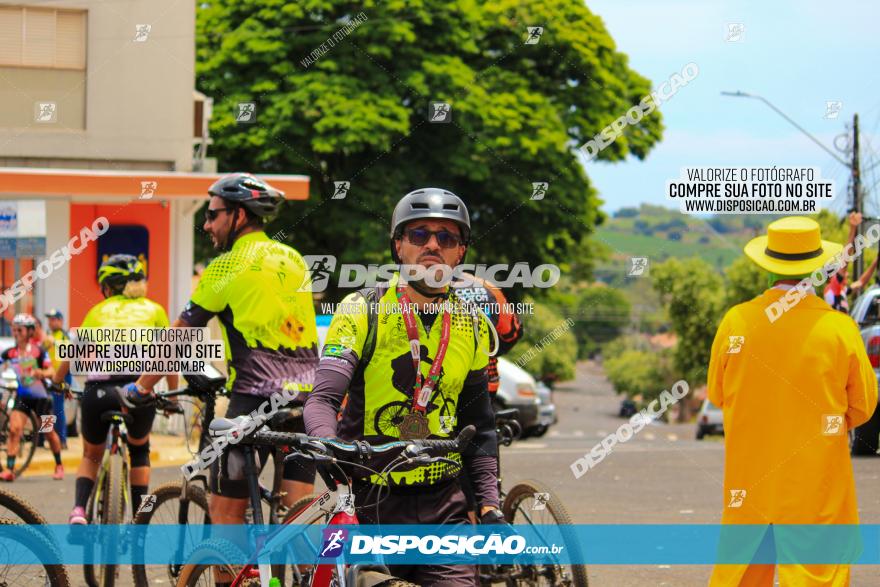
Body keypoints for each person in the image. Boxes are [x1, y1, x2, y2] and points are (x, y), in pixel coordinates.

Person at [305, 187, 501, 587]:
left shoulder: (475, 324)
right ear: (398, 246)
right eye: (419, 235)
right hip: (370, 503)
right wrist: (327, 444)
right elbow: (323, 399)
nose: (432, 245)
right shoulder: (362, 309)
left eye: (446, 237)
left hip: (444, 508)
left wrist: (491, 505)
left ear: (460, 253)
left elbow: (480, 426)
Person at [130, 173, 319, 538]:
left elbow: (177, 339)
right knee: (300, 515)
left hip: (254, 400)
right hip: (307, 402)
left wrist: (139, 389)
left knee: (225, 514)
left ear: (239, 215)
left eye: (213, 214)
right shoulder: (294, 259)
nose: (206, 224)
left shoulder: (226, 266)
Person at [708, 216, 878, 586]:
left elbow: (718, 394)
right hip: (816, 486)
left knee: (742, 575)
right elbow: (864, 405)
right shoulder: (840, 329)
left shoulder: (736, 322)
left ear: (768, 268)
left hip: (750, 485)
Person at [61, 255, 178, 523]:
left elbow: (71, 353)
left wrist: (58, 383)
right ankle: (140, 518)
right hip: (138, 390)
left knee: (91, 455)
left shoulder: (97, 311)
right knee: (140, 450)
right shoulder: (155, 310)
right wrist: (171, 396)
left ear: (107, 287)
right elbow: (169, 356)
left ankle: (78, 509)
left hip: (98, 392)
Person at [0, 313, 64, 481]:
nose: (16, 333)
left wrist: (39, 373)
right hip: (23, 397)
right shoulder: (11, 353)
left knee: (49, 433)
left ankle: (59, 465)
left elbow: (52, 372)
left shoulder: (39, 351)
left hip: (42, 398)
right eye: (14, 330)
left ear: (29, 331)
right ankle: (10, 469)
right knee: (14, 430)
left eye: (19, 330)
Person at [824, 211, 878, 312]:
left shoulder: (841, 291)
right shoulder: (832, 288)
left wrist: (877, 260)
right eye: (841, 272)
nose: (846, 274)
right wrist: (853, 228)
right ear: (832, 276)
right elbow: (844, 260)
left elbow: (861, 282)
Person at [44, 309, 70, 448]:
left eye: (53, 319)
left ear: (60, 320)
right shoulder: (48, 335)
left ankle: (62, 441)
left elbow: (68, 356)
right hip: (48, 376)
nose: (50, 322)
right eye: (49, 319)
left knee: (57, 408)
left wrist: (54, 343)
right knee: (45, 408)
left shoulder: (64, 336)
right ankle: (46, 439)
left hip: (61, 377)